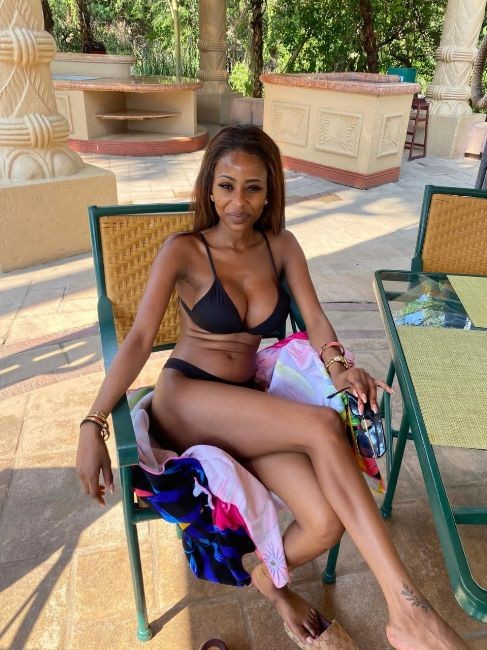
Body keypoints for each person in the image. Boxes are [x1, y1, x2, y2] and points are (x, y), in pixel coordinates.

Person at [76, 125, 468, 650]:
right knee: (322, 425)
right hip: (186, 399)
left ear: (269, 192)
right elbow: (140, 339)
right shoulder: (183, 250)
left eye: (253, 188)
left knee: (324, 522)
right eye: (226, 186)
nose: (238, 202)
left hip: (243, 411)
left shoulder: (281, 246)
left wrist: (340, 368)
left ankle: (267, 578)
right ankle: (408, 609)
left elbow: (316, 319)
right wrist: (94, 421)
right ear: (209, 188)